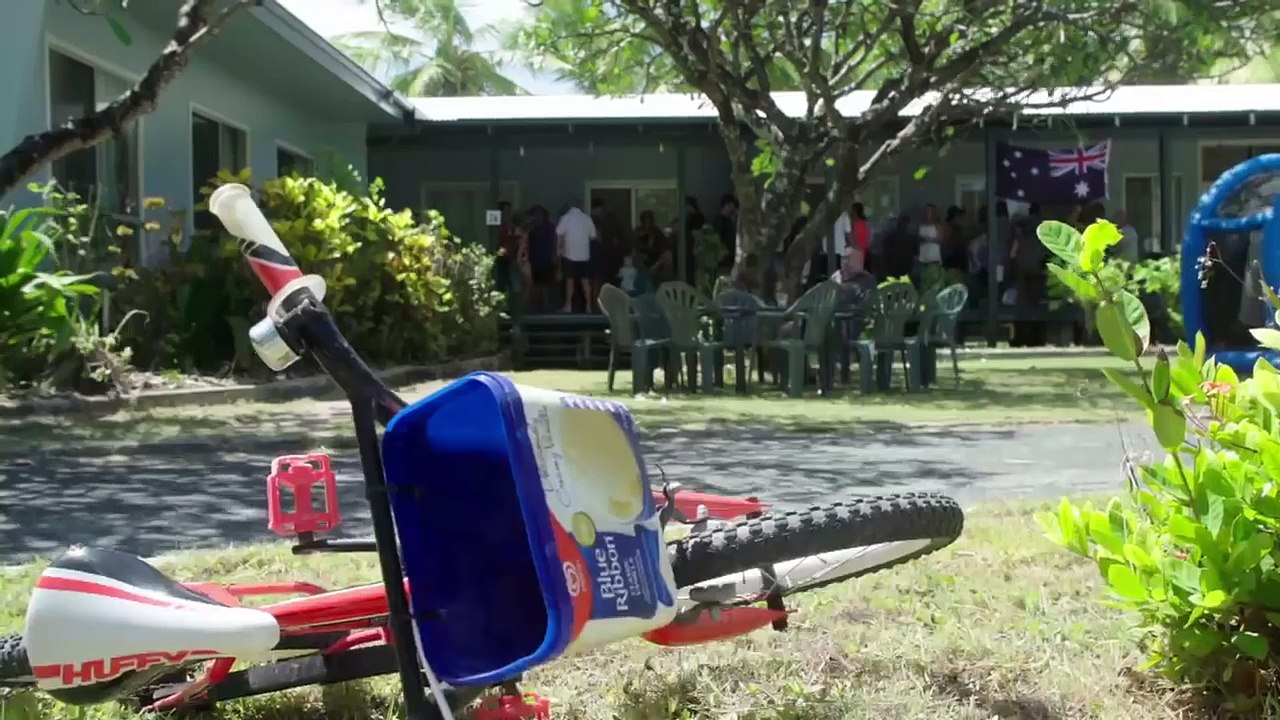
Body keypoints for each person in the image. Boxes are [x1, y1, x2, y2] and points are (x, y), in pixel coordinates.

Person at [556, 198, 596, 313]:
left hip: (569, 254)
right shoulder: (586, 218)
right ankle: (588, 306)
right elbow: (593, 236)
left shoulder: (566, 218)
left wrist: (558, 250)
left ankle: (568, 305)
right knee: (585, 281)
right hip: (584, 254)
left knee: (570, 280)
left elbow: (559, 235)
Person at [526, 205, 558, 311]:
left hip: (547, 259)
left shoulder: (550, 227)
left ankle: (547, 307)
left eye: (539, 214)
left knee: (547, 285)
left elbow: (555, 243)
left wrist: (555, 256)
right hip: (534, 260)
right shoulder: (531, 228)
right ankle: (533, 307)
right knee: (534, 285)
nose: (537, 217)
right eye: (535, 214)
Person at [713, 193, 739, 271]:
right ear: (725, 205)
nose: (731, 208)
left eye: (732, 206)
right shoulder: (720, 219)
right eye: (729, 205)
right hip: (724, 250)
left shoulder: (733, 218)